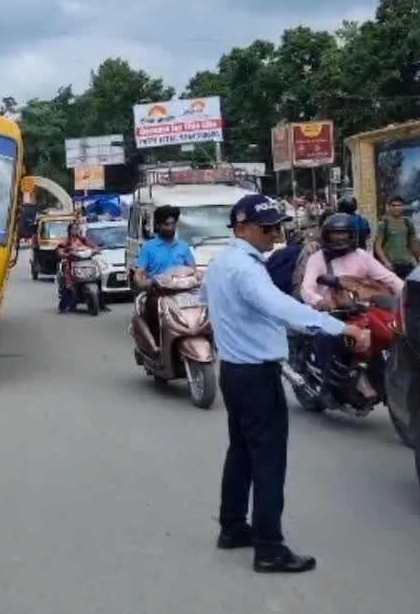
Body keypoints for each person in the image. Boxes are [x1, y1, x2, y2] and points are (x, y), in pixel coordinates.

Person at [201, 194, 370, 574]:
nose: (275, 235)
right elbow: (282, 308)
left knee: (242, 451)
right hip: (255, 375)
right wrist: (342, 326)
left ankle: (232, 527)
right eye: (267, 228)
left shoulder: (222, 264)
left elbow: (206, 298)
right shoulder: (245, 269)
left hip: (234, 371)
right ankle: (269, 548)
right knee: (268, 460)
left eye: (278, 227)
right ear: (242, 228)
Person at [299, 213, 402, 402]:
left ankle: (373, 369)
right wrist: (318, 301)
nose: (340, 237)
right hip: (331, 313)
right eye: (335, 233)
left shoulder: (361, 256)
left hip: (360, 308)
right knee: (327, 338)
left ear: (351, 235)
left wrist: (407, 294)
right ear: (326, 235)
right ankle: (329, 384)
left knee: (390, 331)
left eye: (344, 233)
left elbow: (389, 278)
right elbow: (306, 288)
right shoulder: (317, 258)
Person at [133, 205, 196, 339]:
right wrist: (144, 284)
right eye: (167, 225)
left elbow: (193, 270)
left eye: (173, 224)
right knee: (153, 317)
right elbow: (139, 273)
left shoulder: (183, 246)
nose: (170, 228)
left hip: (183, 294)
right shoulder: (148, 248)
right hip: (159, 295)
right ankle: (157, 349)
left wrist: (199, 277)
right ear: (158, 225)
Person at [374, 195, 420, 279]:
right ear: (388, 207)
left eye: (399, 205)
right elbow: (378, 246)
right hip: (391, 265)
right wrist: (386, 262)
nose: (396, 208)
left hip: (407, 263)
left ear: (403, 207)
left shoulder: (407, 222)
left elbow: (413, 243)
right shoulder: (383, 224)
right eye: (393, 205)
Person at [56, 223, 96, 313]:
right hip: (71, 264)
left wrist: (95, 250)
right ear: (69, 230)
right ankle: (62, 307)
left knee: (97, 278)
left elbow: (92, 246)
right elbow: (60, 250)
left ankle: (101, 304)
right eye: (73, 229)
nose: (75, 231)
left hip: (84, 263)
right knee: (68, 285)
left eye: (76, 229)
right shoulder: (66, 241)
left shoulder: (82, 239)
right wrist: (65, 254)